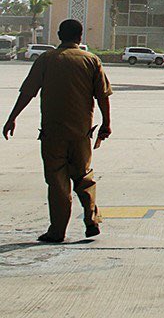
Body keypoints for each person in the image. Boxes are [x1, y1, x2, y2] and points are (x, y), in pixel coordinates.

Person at [3, 19, 112, 242]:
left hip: (53, 133)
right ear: (80, 37)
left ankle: (58, 230)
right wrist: (106, 124)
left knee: (57, 180)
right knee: (83, 176)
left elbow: (28, 92)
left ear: (59, 35)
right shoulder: (91, 60)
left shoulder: (47, 59)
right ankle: (91, 220)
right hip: (81, 133)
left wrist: (12, 118)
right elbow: (102, 95)